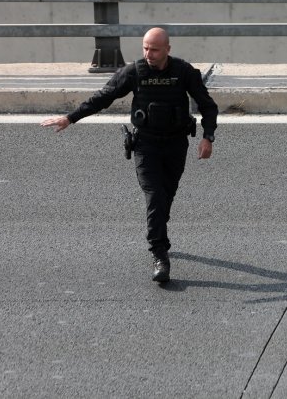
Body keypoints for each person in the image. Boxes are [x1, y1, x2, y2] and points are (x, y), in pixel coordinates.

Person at [41, 27, 218, 282]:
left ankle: (159, 231)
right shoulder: (134, 72)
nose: (149, 54)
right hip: (146, 145)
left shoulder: (183, 72)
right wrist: (70, 118)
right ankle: (159, 255)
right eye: (145, 48)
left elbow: (208, 106)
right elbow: (104, 96)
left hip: (176, 145)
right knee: (155, 197)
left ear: (168, 49)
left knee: (166, 197)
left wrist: (207, 137)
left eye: (155, 49)